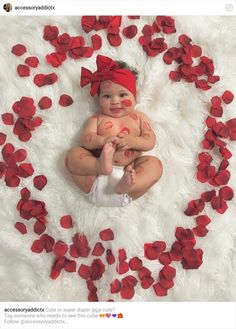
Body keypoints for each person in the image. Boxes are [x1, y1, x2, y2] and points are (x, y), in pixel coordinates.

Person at [65, 55, 163, 207]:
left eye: (123, 95)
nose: (115, 101)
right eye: (107, 96)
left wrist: (132, 141)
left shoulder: (139, 118)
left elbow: (150, 141)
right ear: (99, 99)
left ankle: (130, 184)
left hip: (128, 180)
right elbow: (86, 139)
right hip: (95, 178)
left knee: (155, 165)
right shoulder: (96, 119)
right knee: (72, 155)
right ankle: (100, 165)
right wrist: (102, 141)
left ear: (134, 96)